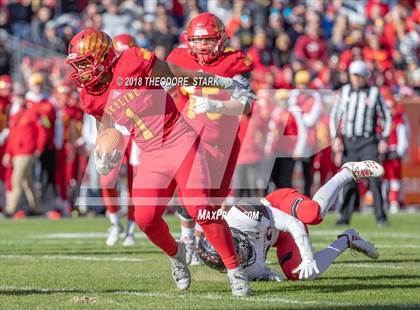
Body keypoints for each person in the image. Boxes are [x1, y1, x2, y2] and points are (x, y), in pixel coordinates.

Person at [66, 29, 254, 297]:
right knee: (145, 219)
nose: (82, 70)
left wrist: (220, 82)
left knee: (200, 206)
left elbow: (175, 73)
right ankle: (177, 253)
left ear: (105, 57)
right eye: (78, 64)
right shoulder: (90, 95)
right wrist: (104, 152)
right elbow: (105, 124)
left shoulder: (132, 60)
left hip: (180, 140)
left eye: (86, 62)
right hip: (150, 153)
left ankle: (236, 270)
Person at [197, 160, 383, 281]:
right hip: (280, 237)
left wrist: (309, 257)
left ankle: (347, 172)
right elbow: (263, 272)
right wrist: (269, 277)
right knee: (301, 274)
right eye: (236, 258)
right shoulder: (242, 268)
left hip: (278, 207)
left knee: (312, 214)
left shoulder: (244, 214)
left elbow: (294, 223)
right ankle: (347, 240)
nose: (241, 256)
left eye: (236, 251)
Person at [166, 12, 253, 265]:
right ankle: (188, 242)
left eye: (208, 40)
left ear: (222, 39)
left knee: (213, 200)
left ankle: (201, 240)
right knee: (190, 194)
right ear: (188, 40)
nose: (202, 46)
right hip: (188, 139)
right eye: (197, 40)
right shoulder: (177, 58)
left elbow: (246, 105)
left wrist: (217, 104)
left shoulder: (235, 61)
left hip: (222, 140)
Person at [330, 60, 392, 227]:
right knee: (348, 180)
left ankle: (381, 217)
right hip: (349, 142)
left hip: (368, 142)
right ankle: (344, 216)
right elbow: (335, 116)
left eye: (359, 76)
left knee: (375, 178)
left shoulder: (374, 92)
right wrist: (336, 138)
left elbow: (386, 116)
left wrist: (384, 139)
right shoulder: (344, 92)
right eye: (353, 76)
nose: (356, 79)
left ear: (365, 76)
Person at [102, 33, 139, 247]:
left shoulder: (144, 70)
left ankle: (131, 230)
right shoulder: (107, 72)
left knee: (136, 185)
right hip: (115, 131)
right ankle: (115, 222)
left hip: (138, 133)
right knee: (107, 179)